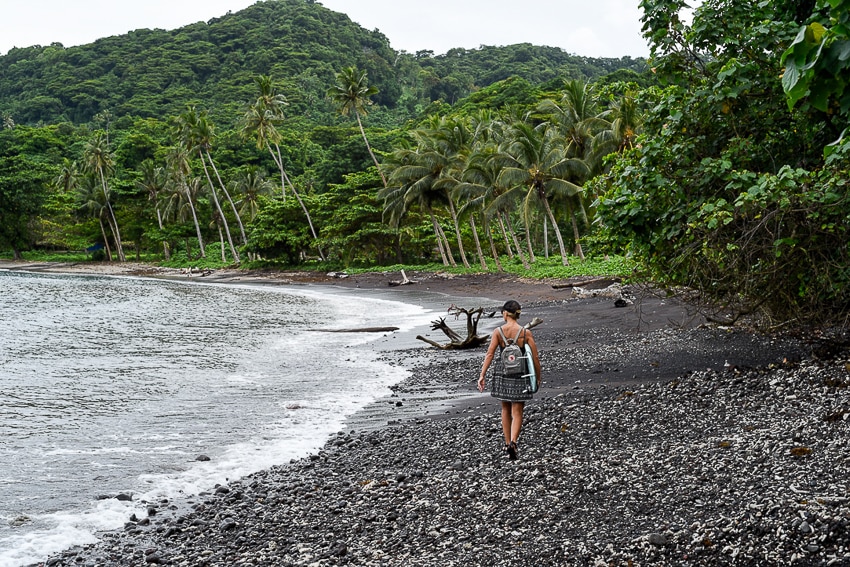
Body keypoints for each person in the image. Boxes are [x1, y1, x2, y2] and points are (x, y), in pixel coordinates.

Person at [477, 300, 541, 460]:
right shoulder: (525, 333)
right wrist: (537, 377)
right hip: (521, 373)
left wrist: (482, 375)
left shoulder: (499, 331)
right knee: (517, 410)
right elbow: (534, 357)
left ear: (505, 313)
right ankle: (513, 442)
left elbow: (490, 354)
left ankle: (506, 443)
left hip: (503, 373)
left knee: (505, 409)